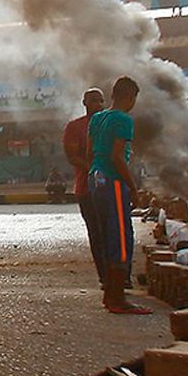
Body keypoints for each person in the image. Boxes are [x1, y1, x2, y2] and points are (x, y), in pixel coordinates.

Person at [88, 76, 149, 314]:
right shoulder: (123, 120)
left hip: (95, 178)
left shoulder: (97, 118)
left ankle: (109, 296)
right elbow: (116, 157)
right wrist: (133, 187)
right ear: (130, 97)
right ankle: (117, 299)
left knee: (106, 236)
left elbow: (89, 151)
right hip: (112, 180)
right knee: (122, 239)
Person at [63, 88, 108, 288]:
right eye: (93, 101)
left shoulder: (110, 124)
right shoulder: (75, 127)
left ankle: (120, 275)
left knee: (113, 232)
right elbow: (72, 157)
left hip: (110, 188)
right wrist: (95, 169)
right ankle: (104, 276)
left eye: (100, 100)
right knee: (96, 233)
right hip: (86, 189)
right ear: (85, 103)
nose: (97, 104)